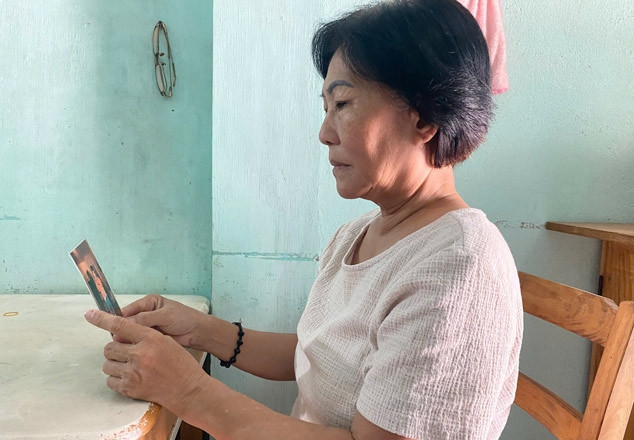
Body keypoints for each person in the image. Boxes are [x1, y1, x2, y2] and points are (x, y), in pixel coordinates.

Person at [84, 1, 522, 439]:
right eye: (325, 107)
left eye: (343, 103)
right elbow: (320, 356)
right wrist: (200, 330)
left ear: (424, 116)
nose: (324, 133)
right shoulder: (355, 235)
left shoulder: (459, 268)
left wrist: (187, 390)